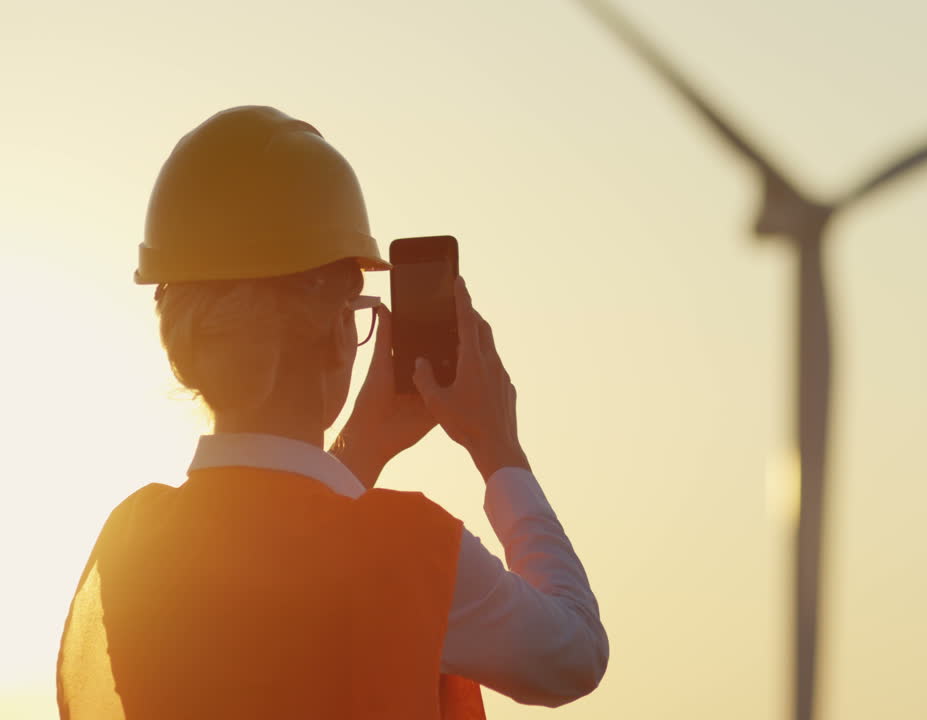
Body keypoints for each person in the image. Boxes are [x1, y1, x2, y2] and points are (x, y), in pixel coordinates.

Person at [56, 106, 607, 720]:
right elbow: (575, 652)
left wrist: (358, 450)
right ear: (338, 332)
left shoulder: (133, 543)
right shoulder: (410, 551)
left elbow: (272, 548)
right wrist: (499, 448)